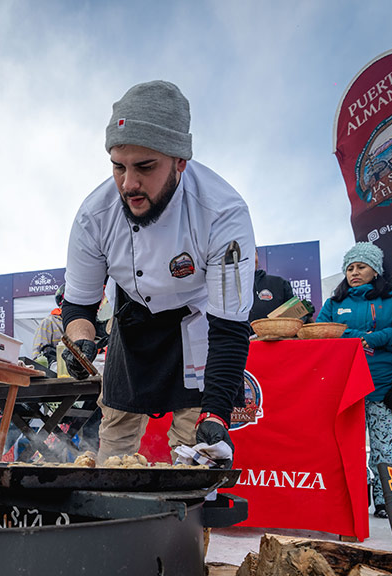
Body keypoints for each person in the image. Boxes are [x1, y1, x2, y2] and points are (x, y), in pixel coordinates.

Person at [61, 80, 254, 465]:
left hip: (195, 324)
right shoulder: (93, 216)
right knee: (112, 451)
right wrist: (80, 339)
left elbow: (230, 328)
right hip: (131, 324)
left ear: (180, 161)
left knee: (193, 457)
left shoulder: (222, 213)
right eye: (118, 166)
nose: (128, 184)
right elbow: (78, 306)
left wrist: (215, 412)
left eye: (145, 167)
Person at [317, 242, 392, 517]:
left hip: (383, 385)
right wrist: (356, 338)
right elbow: (321, 334)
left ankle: (390, 499)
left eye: (361, 266)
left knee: (387, 446)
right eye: (349, 268)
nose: (354, 272)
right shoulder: (334, 303)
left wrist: (378, 338)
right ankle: (354, 494)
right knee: (346, 447)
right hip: (344, 387)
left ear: (375, 270)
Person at [249, 255, 297, 322]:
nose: (250, 258)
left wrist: (305, 313)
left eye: (253, 253)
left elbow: (295, 318)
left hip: (277, 332)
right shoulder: (230, 290)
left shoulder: (279, 283)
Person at [31, 284, 67, 365]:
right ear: (62, 302)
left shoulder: (84, 323)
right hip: (57, 370)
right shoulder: (49, 322)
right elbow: (38, 352)